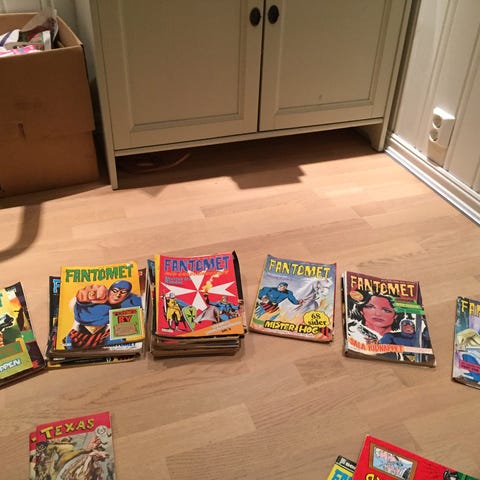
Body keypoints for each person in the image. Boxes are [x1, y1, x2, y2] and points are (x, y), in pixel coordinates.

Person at [64, 280, 142, 348]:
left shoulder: (130, 301)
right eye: (115, 291)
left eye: (123, 292)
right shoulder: (94, 300)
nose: (118, 295)